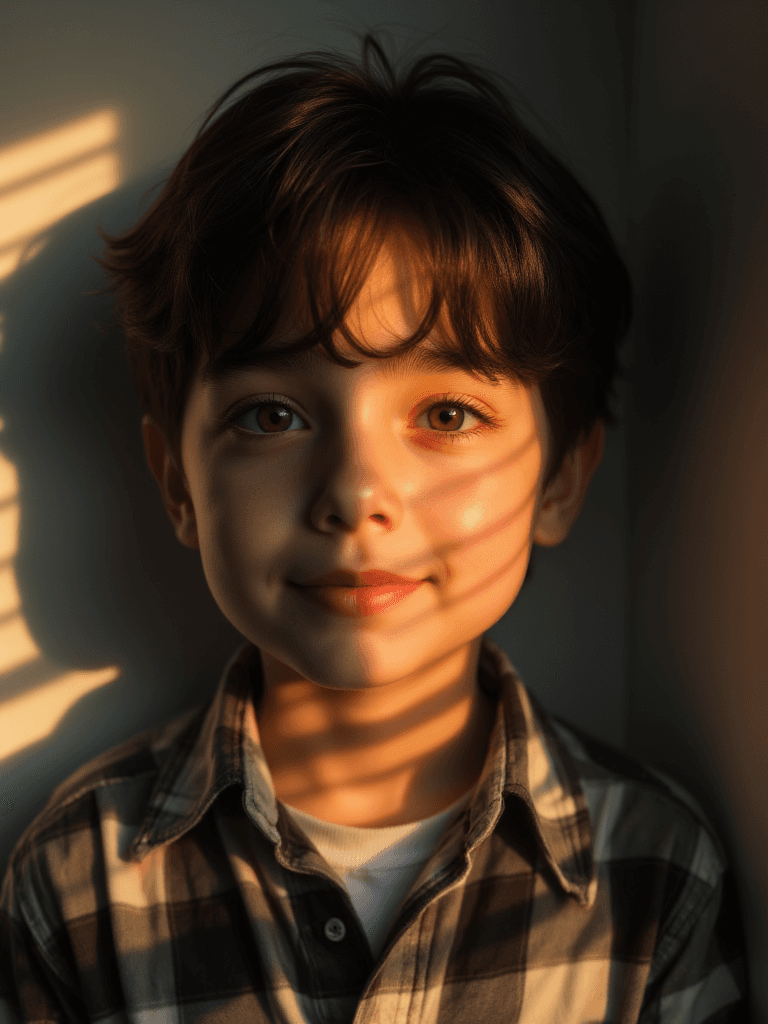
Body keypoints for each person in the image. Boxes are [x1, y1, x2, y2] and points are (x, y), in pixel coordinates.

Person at [0, 33, 747, 1024]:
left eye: (445, 415)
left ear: (561, 479)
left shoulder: (656, 873)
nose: (355, 492)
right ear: (176, 483)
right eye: (274, 415)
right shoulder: (77, 879)